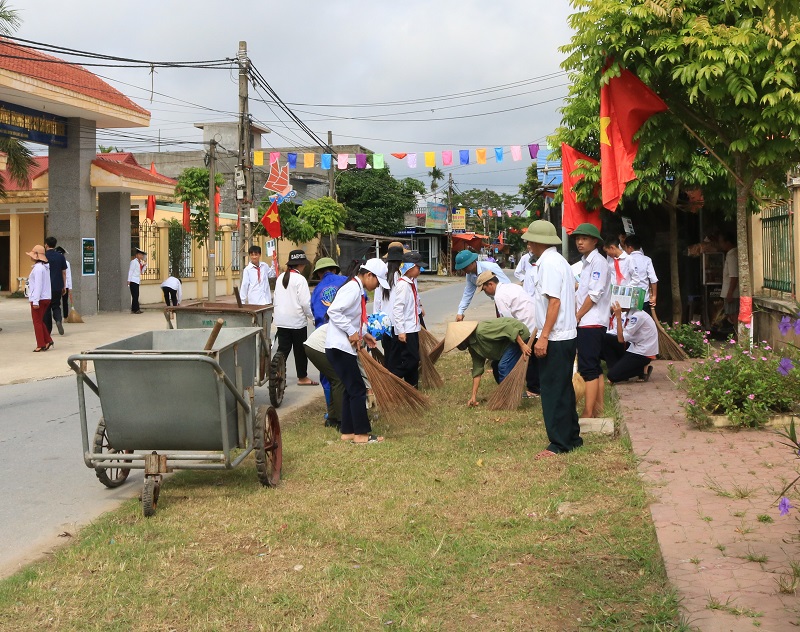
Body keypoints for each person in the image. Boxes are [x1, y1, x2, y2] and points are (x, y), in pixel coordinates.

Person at [523, 220, 582, 460]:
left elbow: (554, 302)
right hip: (566, 334)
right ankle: (572, 437)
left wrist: (544, 336)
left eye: (530, 240)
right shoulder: (560, 261)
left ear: (538, 242)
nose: (528, 244)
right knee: (563, 388)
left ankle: (558, 443)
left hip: (556, 336)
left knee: (552, 391)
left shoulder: (548, 264)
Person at [325, 258, 389, 444]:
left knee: (350, 389)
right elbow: (333, 311)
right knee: (358, 390)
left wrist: (363, 334)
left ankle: (348, 432)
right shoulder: (352, 289)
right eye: (377, 281)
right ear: (369, 275)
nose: (377, 286)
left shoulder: (357, 289)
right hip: (340, 347)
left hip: (342, 347)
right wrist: (352, 332)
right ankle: (361, 434)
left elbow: (353, 317)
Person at [476, 270, 540, 396]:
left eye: (484, 289)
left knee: (504, 363)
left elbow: (509, 324)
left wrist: (520, 344)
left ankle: (512, 392)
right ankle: (534, 387)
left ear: (490, 284)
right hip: (535, 324)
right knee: (530, 357)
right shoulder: (511, 286)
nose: (485, 293)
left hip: (525, 327)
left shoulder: (499, 296)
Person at [443, 317, 530, 407]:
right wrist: (473, 396)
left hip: (518, 335)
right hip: (506, 343)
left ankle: (508, 399)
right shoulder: (473, 347)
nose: (458, 347)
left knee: (503, 366)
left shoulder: (482, 331)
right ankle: (506, 392)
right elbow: (477, 370)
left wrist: (523, 345)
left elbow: (508, 328)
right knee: (495, 366)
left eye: (458, 344)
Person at [573, 223, 612, 419]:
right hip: (588, 321)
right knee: (594, 367)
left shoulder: (598, 262)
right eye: (577, 238)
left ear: (595, 241)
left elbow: (594, 295)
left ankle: (588, 412)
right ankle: (597, 409)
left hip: (592, 321)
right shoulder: (587, 262)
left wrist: (578, 315)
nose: (580, 242)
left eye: (584, 238)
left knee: (588, 367)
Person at [273, 249, 316, 386]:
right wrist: (312, 317)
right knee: (300, 351)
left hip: (281, 320)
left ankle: (277, 374)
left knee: (283, 349)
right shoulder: (300, 279)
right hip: (297, 321)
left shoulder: (280, 277)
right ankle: (302, 378)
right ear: (301, 265)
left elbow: (276, 299)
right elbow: (305, 303)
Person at [389, 251, 424, 387]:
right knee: (411, 360)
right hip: (406, 330)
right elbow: (398, 309)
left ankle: (412, 387)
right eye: (418, 267)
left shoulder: (411, 283)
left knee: (414, 360)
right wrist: (401, 331)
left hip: (413, 328)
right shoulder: (403, 285)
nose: (420, 270)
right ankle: (392, 379)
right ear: (410, 267)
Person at [607, 302, 658, 383]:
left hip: (643, 352)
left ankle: (642, 370)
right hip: (633, 346)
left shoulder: (637, 316)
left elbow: (621, 339)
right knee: (606, 338)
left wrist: (618, 317)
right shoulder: (628, 314)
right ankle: (617, 367)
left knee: (612, 376)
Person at [454, 249, 510, 321]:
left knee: (511, 321)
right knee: (503, 322)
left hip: (507, 299)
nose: (463, 270)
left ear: (472, 262)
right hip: (497, 300)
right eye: (462, 268)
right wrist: (460, 312)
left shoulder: (490, 268)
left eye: (465, 267)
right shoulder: (469, 275)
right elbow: (468, 293)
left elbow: (507, 285)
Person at [26, 245, 53, 352]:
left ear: (36, 256)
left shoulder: (38, 268)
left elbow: (38, 285)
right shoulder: (44, 267)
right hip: (45, 297)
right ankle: (48, 340)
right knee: (40, 321)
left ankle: (41, 344)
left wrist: (35, 301)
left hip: (39, 298)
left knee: (37, 322)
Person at [624, 234, 658, 314]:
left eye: (625, 247)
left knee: (629, 319)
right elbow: (653, 280)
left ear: (630, 248)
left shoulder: (626, 260)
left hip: (629, 297)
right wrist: (654, 296)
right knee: (642, 319)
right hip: (643, 297)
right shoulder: (647, 260)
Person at [43, 237, 67, 334]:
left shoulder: (43, 257)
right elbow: (64, 272)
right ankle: (58, 320)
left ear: (46, 245)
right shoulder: (61, 257)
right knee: (56, 305)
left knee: (47, 308)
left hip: (46, 287)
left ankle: (48, 330)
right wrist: (64, 286)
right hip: (57, 285)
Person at [718, 230, 739, 326]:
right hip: (731, 292)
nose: (720, 244)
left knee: (733, 315)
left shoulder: (732, 255)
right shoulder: (731, 254)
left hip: (732, 293)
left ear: (728, 242)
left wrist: (730, 293)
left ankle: (737, 333)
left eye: (721, 242)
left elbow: (734, 276)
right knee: (731, 315)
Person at [127, 247, 147, 314]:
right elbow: (131, 271)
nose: (141, 256)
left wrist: (145, 265)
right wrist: (129, 280)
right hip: (133, 280)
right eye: (140, 255)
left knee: (136, 295)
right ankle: (136, 309)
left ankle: (135, 309)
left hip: (137, 280)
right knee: (135, 295)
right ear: (137, 255)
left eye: (142, 255)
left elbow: (141, 272)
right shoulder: (133, 262)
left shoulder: (139, 263)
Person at [54, 246, 72, 321]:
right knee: (65, 302)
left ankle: (57, 318)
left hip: (56, 285)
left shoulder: (54, 261)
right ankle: (65, 317)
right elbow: (68, 275)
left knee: (56, 303)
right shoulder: (66, 263)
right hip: (65, 285)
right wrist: (70, 287)